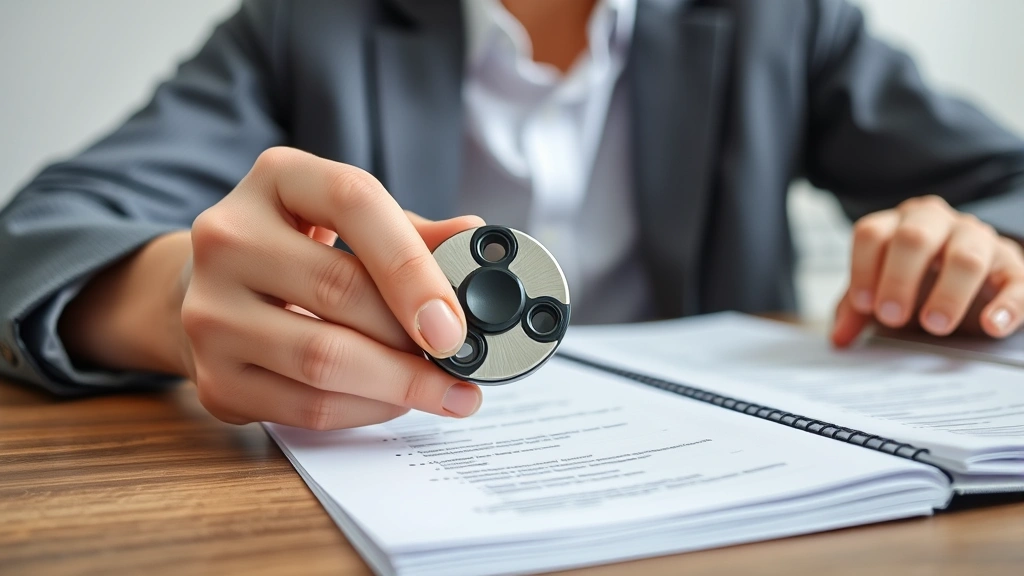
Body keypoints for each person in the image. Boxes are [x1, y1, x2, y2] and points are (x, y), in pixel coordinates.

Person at [1, 0, 1022, 430]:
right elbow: (38, 239)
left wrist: (984, 253)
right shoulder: (305, 23)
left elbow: (1006, 185)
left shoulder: (780, 19)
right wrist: (176, 296)